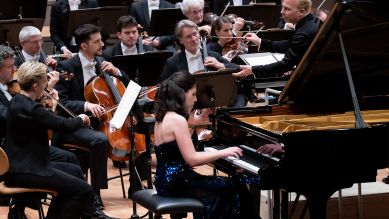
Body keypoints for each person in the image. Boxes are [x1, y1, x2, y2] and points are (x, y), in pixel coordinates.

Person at [4, 61, 116, 219]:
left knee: (75, 170)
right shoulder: (32, 109)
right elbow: (64, 125)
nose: (46, 86)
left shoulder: (17, 101)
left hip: (24, 165)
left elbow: (44, 119)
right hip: (27, 171)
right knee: (82, 189)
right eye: (44, 83)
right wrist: (82, 118)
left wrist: (50, 105)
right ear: (35, 86)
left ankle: (91, 215)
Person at [154, 71, 258, 219]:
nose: (196, 99)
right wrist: (224, 152)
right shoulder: (177, 120)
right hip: (179, 182)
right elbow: (192, 159)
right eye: (193, 94)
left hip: (164, 181)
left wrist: (195, 121)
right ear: (182, 94)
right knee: (235, 186)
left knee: (226, 187)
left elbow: (176, 152)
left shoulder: (163, 117)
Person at [53, 24, 128, 210]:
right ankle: (95, 192)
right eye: (97, 41)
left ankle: (138, 186)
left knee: (135, 132)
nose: (102, 44)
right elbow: (61, 103)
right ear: (84, 46)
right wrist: (86, 105)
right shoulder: (67, 66)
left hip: (102, 121)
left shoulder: (103, 61)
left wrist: (117, 72)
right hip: (74, 124)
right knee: (100, 140)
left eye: (101, 39)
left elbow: (125, 86)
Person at [234, 0, 321, 79]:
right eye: (282, 7)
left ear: (301, 12)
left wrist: (253, 69)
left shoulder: (303, 32)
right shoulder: (312, 21)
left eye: (287, 9)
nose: (282, 12)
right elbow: (290, 45)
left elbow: (285, 65)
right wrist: (260, 41)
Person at [160, 19, 237, 81]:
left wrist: (221, 65)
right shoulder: (172, 62)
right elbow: (164, 87)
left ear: (199, 34)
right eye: (188, 36)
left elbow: (236, 68)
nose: (193, 39)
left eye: (195, 34)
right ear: (181, 40)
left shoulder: (213, 56)